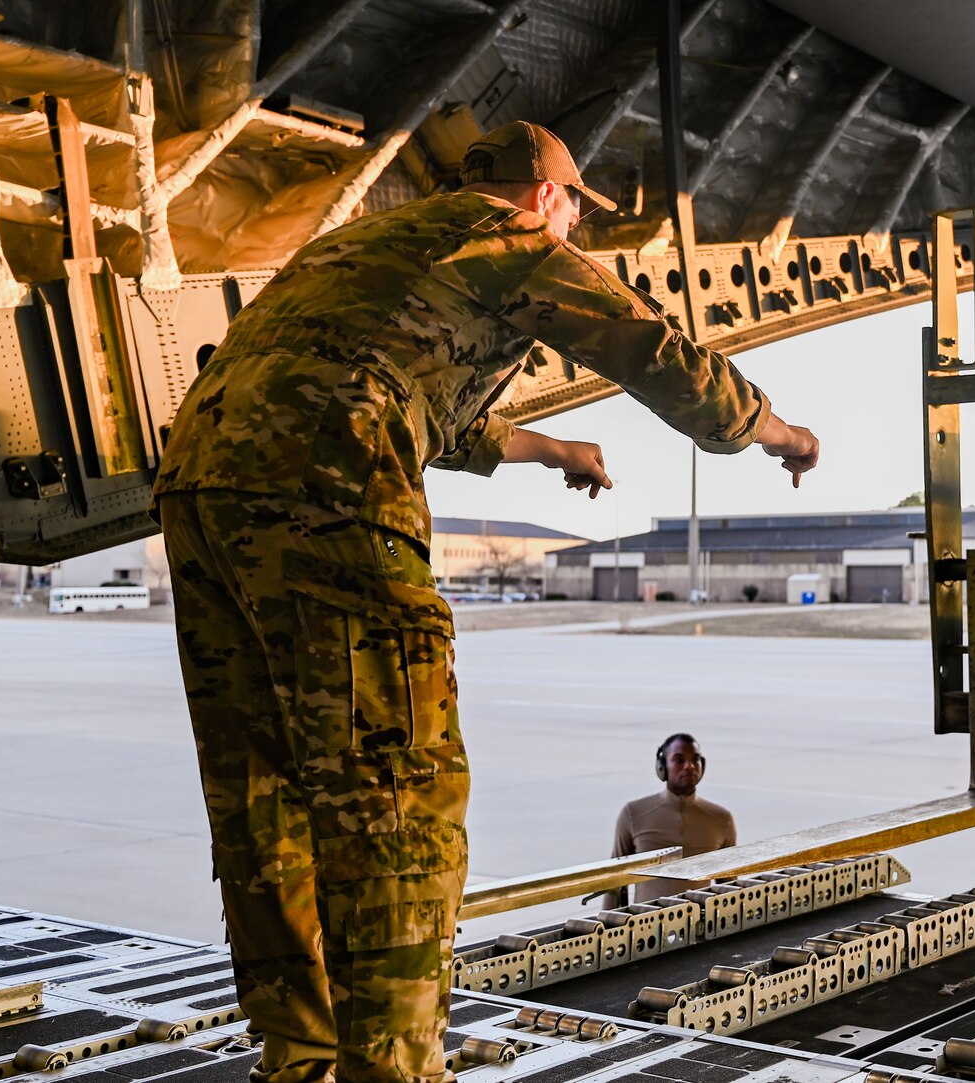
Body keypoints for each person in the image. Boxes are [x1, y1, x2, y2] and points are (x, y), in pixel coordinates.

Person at [153, 120, 819, 1083]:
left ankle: (298, 1054)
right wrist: (778, 431)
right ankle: (395, 1067)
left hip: (201, 490)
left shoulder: (365, 247)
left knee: (266, 792)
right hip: (326, 486)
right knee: (395, 789)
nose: (574, 236)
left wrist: (559, 453)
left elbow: (437, 412)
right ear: (549, 198)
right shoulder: (508, 240)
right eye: (573, 216)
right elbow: (655, 352)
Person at [602, 734, 736, 909]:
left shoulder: (721, 819)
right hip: (646, 926)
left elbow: (730, 888)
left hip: (702, 927)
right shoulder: (633, 814)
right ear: (662, 767)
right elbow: (614, 882)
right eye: (679, 760)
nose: (689, 766)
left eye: (695, 759)